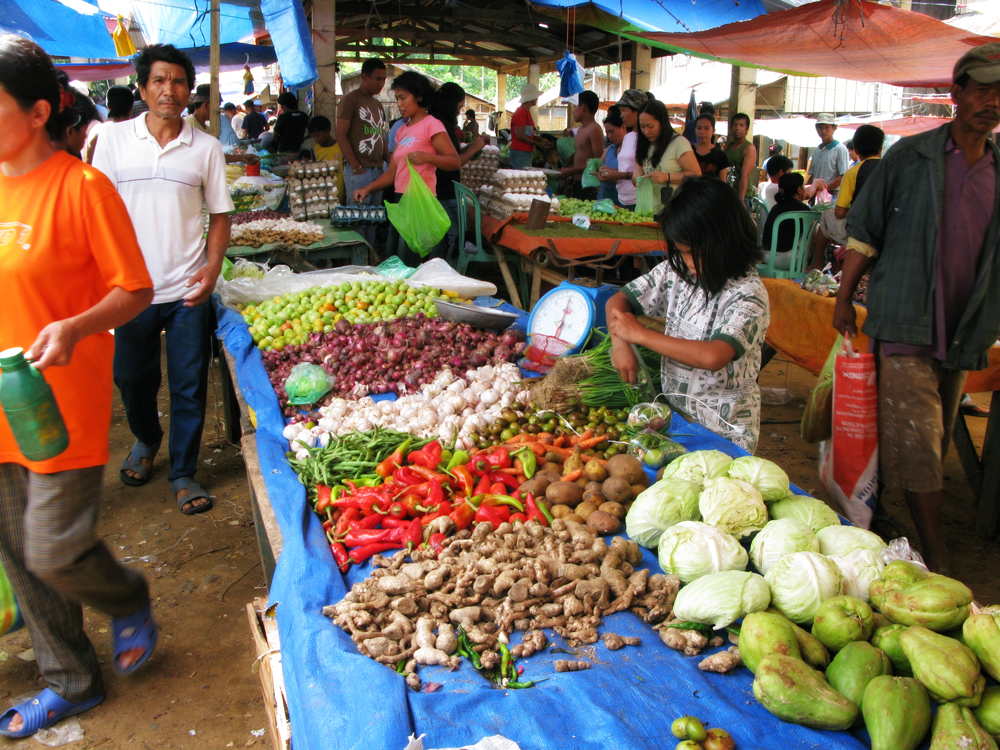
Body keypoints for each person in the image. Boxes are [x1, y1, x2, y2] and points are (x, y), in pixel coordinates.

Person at [0, 34, 157, 738]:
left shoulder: (81, 187)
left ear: (37, 112)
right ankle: (72, 678)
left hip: (60, 400)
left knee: (53, 548)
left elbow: (135, 289)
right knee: (16, 550)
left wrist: (74, 326)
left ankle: (126, 596)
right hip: (2, 400)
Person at [832, 43, 1000, 573]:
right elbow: (865, 232)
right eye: (981, 89)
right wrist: (842, 297)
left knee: (932, 433)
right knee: (923, 444)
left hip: (965, 329)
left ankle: (874, 512)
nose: (991, 101)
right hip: (904, 320)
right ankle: (936, 552)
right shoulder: (911, 157)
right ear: (957, 93)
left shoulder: (998, 169)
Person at [92, 43, 233, 515]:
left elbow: (220, 215)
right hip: (129, 289)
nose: (168, 89)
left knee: (189, 383)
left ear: (188, 91)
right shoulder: (112, 142)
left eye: (176, 81)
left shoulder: (206, 148)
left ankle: (183, 471)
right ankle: (147, 437)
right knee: (132, 378)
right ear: (142, 88)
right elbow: (97, 213)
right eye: (158, 80)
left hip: (187, 288)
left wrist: (212, 268)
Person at [605, 176, 769, 452]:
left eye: (694, 252)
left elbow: (713, 355)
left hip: (724, 432)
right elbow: (618, 302)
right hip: (676, 419)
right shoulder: (677, 271)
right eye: (682, 252)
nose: (688, 262)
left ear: (725, 239)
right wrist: (620, 341)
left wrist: (640, 335)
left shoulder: (748, 294)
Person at [353, 70, 459, 261]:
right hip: (401, 200)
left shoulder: (432, 124)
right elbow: (392, 173)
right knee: (396, 257)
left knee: (410, 261)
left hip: (420, 202)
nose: (399, 104)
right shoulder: (402, 130)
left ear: (419, 96)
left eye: (403, 97)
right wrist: (367, 189)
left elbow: (454, 161)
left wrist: (428, 157)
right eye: (396, 98)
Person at [807, 124, 884, 270]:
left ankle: (817, 263)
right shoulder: (892, 170)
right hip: (886, 228)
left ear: (856, 150)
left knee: (826, 215)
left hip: (860, 230)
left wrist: (857, 209)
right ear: (880, 149)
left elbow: (840, 212)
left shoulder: (853, 172)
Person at [427, 82, 485, 260]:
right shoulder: (442, 126)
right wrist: (475, 147)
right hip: (444, 190)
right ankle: (446, 273)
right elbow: (454, 162)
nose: (459, 112)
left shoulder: (433, 121)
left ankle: (436, 272)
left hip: (436, 188)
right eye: (459, 107)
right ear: (451, 104)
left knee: (437, 237)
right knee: (452, 237)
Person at [338, 58, 387, 248]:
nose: (381, 83)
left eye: (383, 79)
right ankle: (358, 266)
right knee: (358, 222)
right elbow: (340, 135)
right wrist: (357, 167)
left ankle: (369, 262)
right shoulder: (350, 100)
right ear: (364, 77)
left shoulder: (378, 105)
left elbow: (380, 137)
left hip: (377, 171)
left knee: (373, 221)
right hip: (359, 171)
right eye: (377, 79)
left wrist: (391, 163)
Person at [634, 99, 700, 215]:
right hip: (648, 213)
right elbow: (638, 171)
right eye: (642, 126)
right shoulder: (644, 144)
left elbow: (696, 175)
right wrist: (637, 177)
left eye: (650, 126)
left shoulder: (679, 143)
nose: (646, 131)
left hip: (674, 214)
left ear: (662, 122)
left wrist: (667, 177)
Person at [559, 90, 604, 199]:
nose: (573, 111)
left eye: (575, 106)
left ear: (583, 107)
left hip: (588, 185)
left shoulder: (594, 129)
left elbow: (598, 163)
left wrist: (570, 171)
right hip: (577, 181)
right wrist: (565, 169)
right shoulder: (580, 130)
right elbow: (580, 159)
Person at [760, 172, 811, 268]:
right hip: (787, 260)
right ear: (799, 190)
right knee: (813, 237)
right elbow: (812, 238)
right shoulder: (804, 209)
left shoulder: (776, 207)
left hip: (766, 257)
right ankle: (812, 267)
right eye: (804, 186)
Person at [611, 89, 647, 212]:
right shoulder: (627, 137)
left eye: (624, 110)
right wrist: (611, 172)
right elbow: (625, 168)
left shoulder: (646, 139)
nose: (621, 115)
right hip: (622, 200)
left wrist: (618, 175)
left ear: (637, 110)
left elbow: (647, 172)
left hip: (638, 201)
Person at [806, 113, 849, 201]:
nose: (823, 131)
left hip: (832, 196)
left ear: (834, 128)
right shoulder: (817, 150)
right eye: (820, 127)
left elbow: (843, 177)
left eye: (827, 127)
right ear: (816, 128)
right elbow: (812, 175)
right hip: (815, 197)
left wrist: (824, 189)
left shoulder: (840, 149)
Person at [302, 115, 346, 203]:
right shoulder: (314, 150)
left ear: (327, 131)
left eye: (318, 135)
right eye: (313, 136)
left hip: (340, 193)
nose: (316, 139)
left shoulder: (341, 147)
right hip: (323, 197)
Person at [84, 85, 132, 163]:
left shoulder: (97, 132)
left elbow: (89, 164)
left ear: (108, 106)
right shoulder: (140, 132)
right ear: (131, 107)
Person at [723, 112, 757, 211]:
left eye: (741, 125)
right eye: (735, 125)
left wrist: (741, 199)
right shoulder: (729, 146)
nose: (737, 128)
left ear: (747, 129)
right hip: (729, 195)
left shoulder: (749, 148)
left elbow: (745, 175)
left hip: (742, 197)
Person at [509, 83, 545, 168]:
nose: (537, 99)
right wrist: (537, 143)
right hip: (520, 152)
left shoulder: (525, 112)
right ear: (531, 98)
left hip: (524, 152)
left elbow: (525, 134)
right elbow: (520, 135)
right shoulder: (521, 112)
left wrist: (538, 139)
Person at [596, 106, 626, 206]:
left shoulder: (632, 150)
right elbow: (598, 169)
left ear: (623, 127)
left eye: (612, 132)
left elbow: (634, 175)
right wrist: (600, 174)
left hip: (622, 202)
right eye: (607, 133)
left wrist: (613, 175)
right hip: (603, 199)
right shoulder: (610, 149)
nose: (609, 136)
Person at [692, 113, 729, 181]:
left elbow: (722, 183)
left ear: (713, 131)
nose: (702, 132)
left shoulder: (721, 156)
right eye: (699, 128)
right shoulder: (688, 151)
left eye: (706, 128)